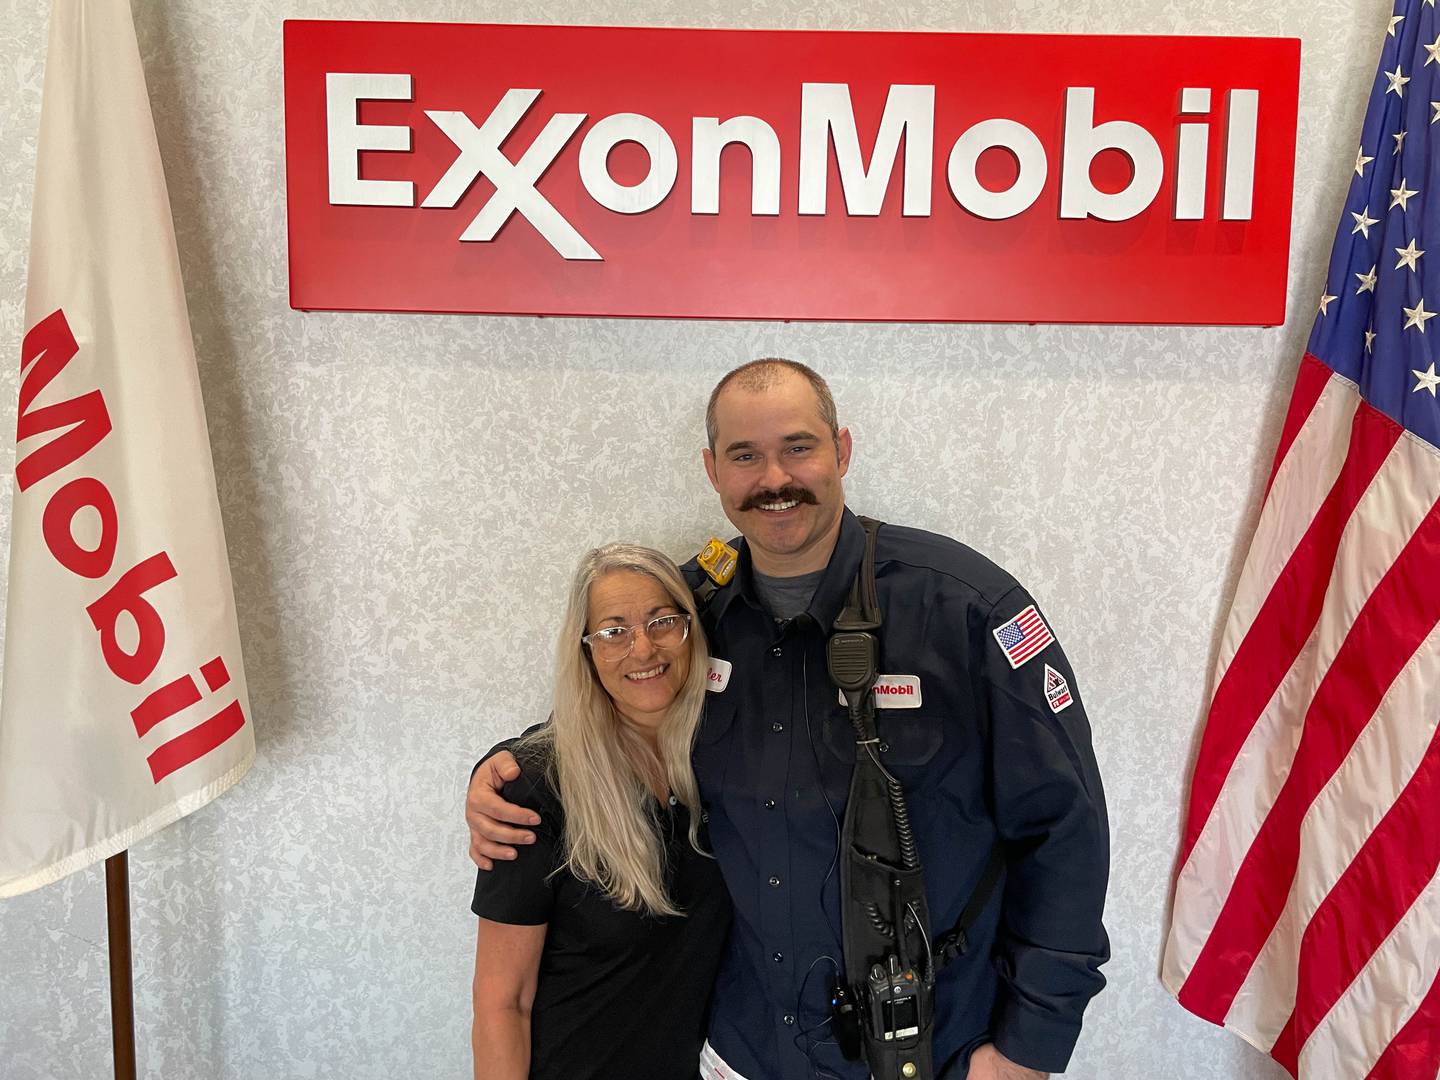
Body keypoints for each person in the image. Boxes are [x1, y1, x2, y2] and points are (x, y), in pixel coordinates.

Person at [467, 360, 1109, 1080]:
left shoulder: (962, 608)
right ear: (713, 470)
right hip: (744, 1052)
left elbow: (1064, 831)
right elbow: (613, 694)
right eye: (745, 455)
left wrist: (1030, 1046)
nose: (775, 478)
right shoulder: (693, 608)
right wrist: (507, 768)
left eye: (798, 447)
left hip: (930, 1052)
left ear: (843, 450)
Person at [469, 544, 731, 1080]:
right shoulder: (533, 790)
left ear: (691, 632)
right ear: (585, 652)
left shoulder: (720, 761)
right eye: (614, 631)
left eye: (662, 621)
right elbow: (503, 1002)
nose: (643, 649)